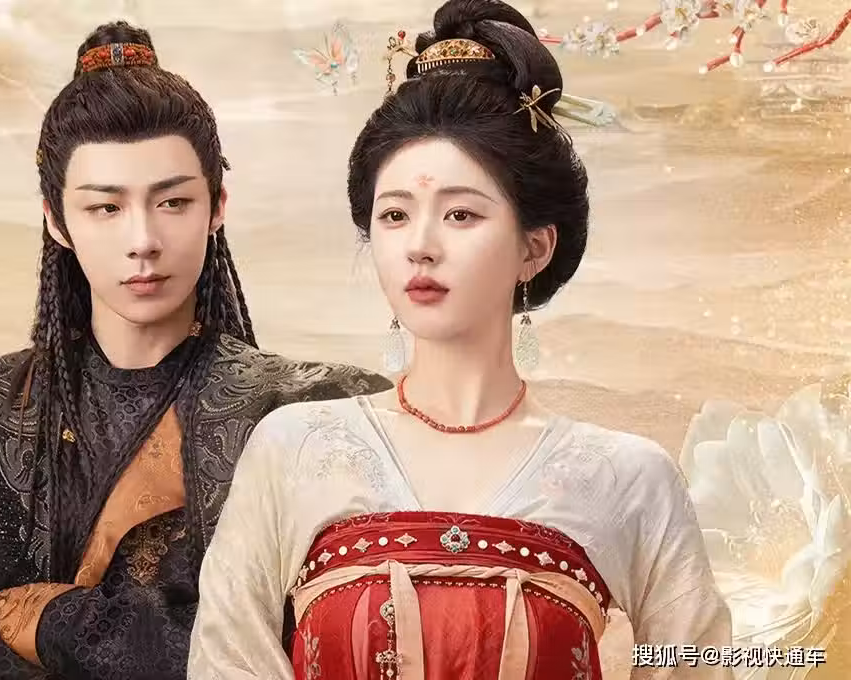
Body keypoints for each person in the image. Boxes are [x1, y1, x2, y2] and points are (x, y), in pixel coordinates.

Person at [188, 1, 733, 678]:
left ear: (534, 248)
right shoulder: (294, 449)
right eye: (394, 215)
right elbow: (228, 660)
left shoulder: (629, 477)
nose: (420, 245)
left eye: (461, 214)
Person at [0, 21, 391, 680]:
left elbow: (329, 641)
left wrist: (67, 624)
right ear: (57, 219)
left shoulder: (313, 411)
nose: (143, 240)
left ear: (217, 205)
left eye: (173, 201)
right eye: (105, 208)